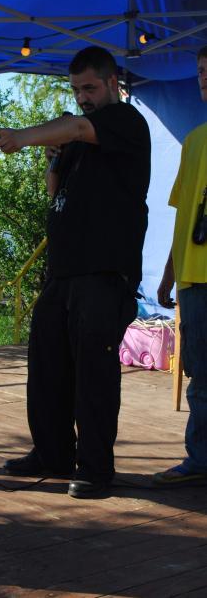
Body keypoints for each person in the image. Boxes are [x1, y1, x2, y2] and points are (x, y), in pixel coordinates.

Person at [0, 46, 151, 498]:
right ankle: (52, 452)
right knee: (47, 365)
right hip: (63, 270)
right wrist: (51, 157)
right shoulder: (79, 141)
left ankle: (95, 467)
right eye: (77, 89)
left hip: (104, 271)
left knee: (93, 372)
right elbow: (54, 192)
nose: (83, 97)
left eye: (90, 88)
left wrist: (22, 136)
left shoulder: (125, 121)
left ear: (113, 83)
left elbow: (79, 126)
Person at [153, 46, 207, 487]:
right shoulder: (194, 141)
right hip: (193, 279)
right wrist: (169, 275)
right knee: (200, 376)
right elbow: (183, 215)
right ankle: (200, 459)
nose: (204, 78)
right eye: (202, 71)